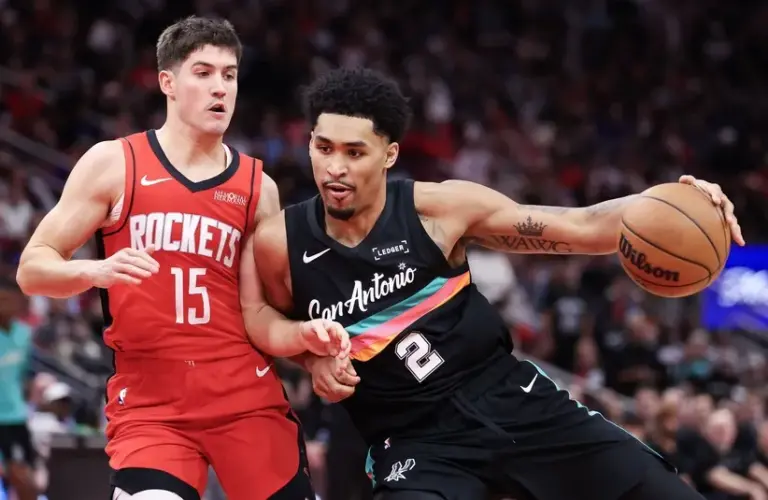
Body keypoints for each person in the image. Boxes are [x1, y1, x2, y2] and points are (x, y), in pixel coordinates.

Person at [247, 67, 745, 500]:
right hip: (417, 444)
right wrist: (310, 356)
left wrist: (666, 204)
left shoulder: (439, 209)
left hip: (516, 402)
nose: (334, 167)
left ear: (389, 154)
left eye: (355, 152)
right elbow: (268, 321)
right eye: (323, 146)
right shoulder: (281, 243)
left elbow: (585, 227)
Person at [16, 17, 350, 500]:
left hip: (243, 396)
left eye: (229, 75)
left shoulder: (258, 189)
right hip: (152, 403)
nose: (220, 88)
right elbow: (32, 268)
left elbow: (264, 312)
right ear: (167, 82)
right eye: (204, 72)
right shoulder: (115, 163)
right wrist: (93, 271)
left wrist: (309, 353)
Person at [0, 277, 38, 500]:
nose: (4, 305)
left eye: (8, 299)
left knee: (25, 478)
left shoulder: (24, 334)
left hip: (15, 418)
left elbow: (24, 375)